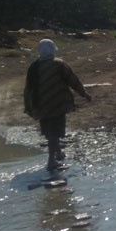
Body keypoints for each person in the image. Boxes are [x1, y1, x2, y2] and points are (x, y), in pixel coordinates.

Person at [24, 39, 91, 170]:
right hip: (57, 104)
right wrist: (85, 94)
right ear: (52, 49)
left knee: (50, 132)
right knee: (54, 133)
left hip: (40, 105)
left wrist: (28, 106)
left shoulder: (34, 66)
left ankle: (59, 152)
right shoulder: (59, 64)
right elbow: (73, 81)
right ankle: (51, 161)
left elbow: (28, 88)